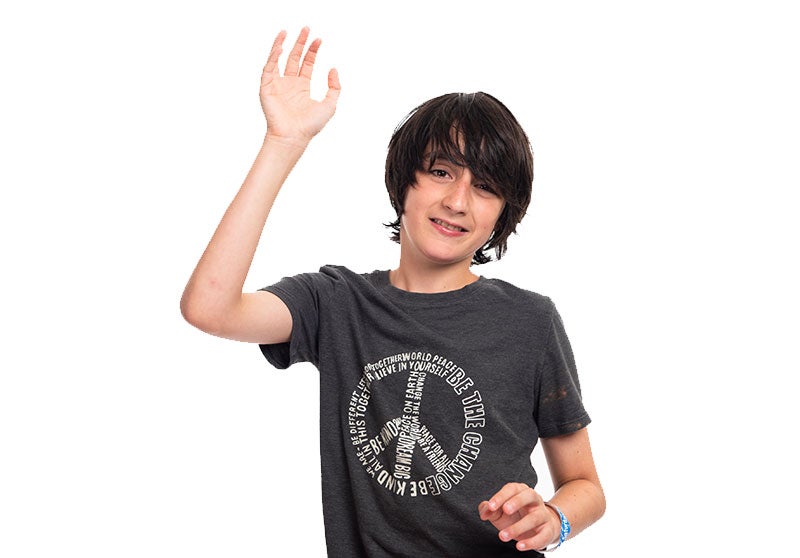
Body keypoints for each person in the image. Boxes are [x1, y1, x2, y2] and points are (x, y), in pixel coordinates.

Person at [181, 27, 605, 557]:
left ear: (503, 212)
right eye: (441, 172)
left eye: (486, 187)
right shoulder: (335, 304)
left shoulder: (529, 320)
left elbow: (585, 484)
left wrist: (553, 518)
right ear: (404, 180)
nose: (457, 201)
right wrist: (283, 144)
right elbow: (209, 307)